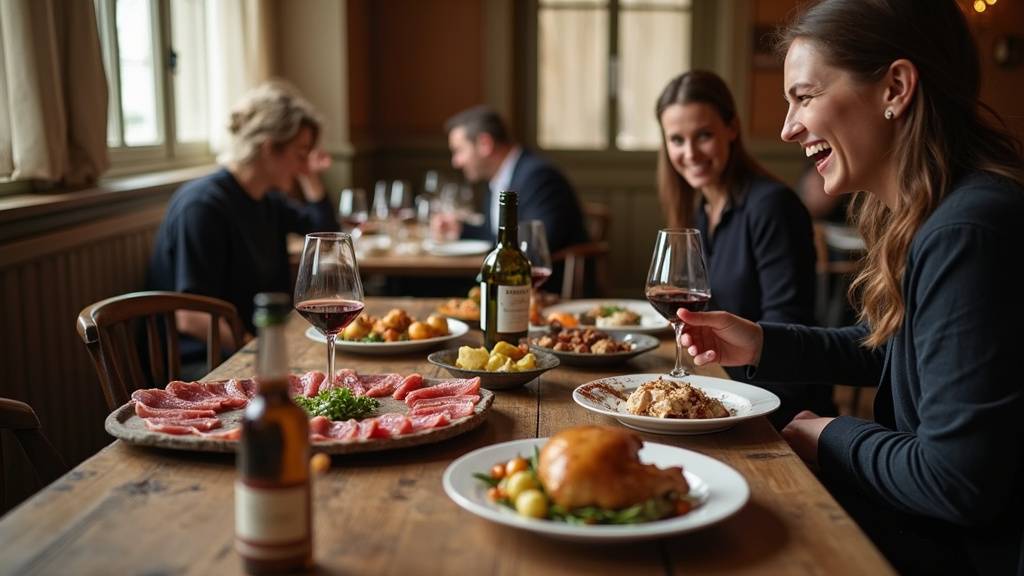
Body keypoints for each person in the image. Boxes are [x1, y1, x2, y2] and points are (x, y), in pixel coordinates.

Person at [678, 1, 1024, 573]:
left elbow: (957, 482)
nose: (788, 128)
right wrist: (763, 342)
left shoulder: (969, 230)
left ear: (896, 87)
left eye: (804, 96)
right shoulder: (939, 215)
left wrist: (831, 435)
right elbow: (896, 350)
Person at [656, 70, 830, 427]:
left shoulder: (772, 206)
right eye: (676, 139)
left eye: (703, 135)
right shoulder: (699, 213)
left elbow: (788, 329)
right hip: (724, 388)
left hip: (778, 409)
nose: (690, 153)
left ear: (732, 128)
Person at [147, 81, 339, 378]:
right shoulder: (203, 207)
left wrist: (310, 175)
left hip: (253, 348)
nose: (303, 167)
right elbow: (192, 319)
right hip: (204, 363)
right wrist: (260, 352)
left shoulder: (266, 199)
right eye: (300, 154)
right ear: (268, 149)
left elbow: (326, 235)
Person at [443, 105, 590, 294]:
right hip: (511, 285)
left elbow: (536, 246)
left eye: (459, 151)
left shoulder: (538, 177)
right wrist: (461, 228)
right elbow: (500, 235)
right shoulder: (498, 178)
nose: (456, 161)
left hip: (543, 292)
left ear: (485, 144)